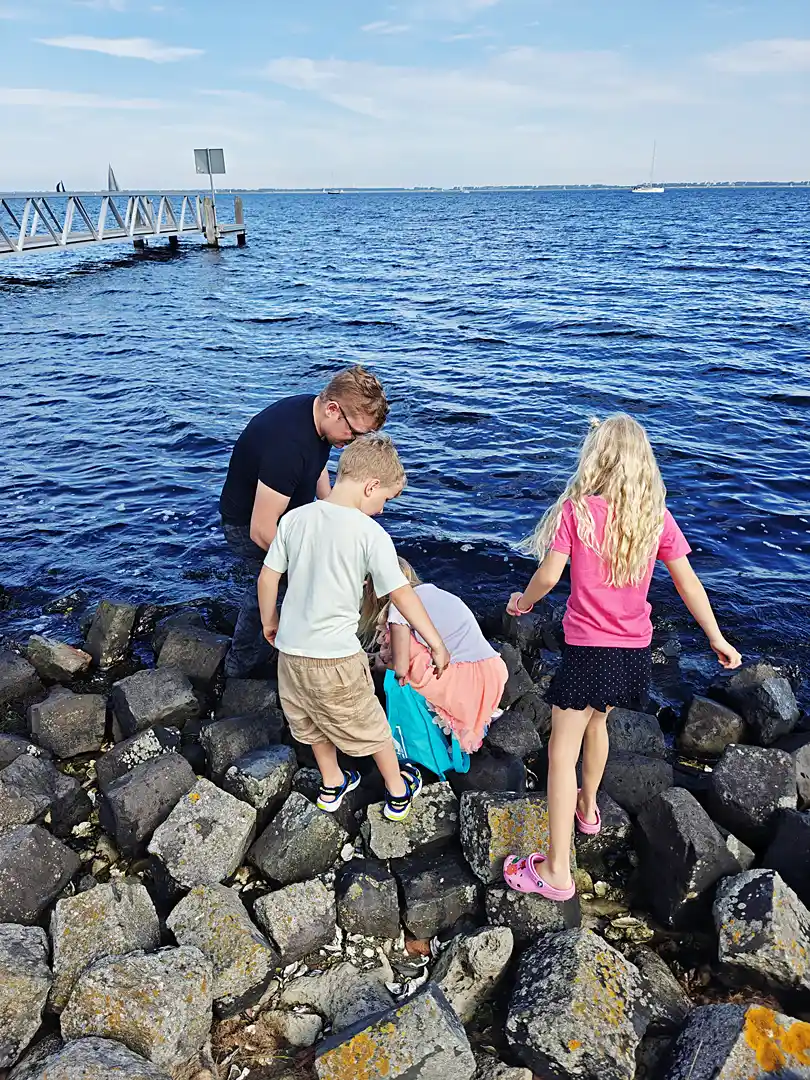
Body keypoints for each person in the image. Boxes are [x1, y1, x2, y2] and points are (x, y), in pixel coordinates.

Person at [502, 414, 742, 902]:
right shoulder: (654, 518)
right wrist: (716, 636)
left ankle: (557, 871)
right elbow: (687, 582)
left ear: (597, 458)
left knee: (559, 753)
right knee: (599, 725)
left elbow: (549, 577)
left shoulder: (578, 511)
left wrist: (522, 603)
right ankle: (588, 810)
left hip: (588, 650)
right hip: (632, 653)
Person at [257, 434, 451, 821]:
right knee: (371, 724)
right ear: (370, 486)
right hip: (336, 658)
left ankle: (332, 783)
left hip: (291, 653)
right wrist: (435, 641)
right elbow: (401, 594)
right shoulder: (369, 533)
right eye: (384, 500)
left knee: (308, 721)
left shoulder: (295, 518)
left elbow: (267, 578)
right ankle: (398, 791)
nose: (380, 511)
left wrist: (270, 621)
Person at [219, 366, 389, 679]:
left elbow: (317, 468)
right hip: (247, 525)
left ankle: (288, 644)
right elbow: (260, 530)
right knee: (275, 586)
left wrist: (333, 512)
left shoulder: (317, 417)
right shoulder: (288, 446)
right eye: (353, 432)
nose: (352, 442)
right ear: (333, 409)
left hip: (285, 516)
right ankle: (239, 668)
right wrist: (310, 566)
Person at [361, 558, 508, 753]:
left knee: (398, 645)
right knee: (409, 644)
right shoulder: (430, 591)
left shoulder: (399, 606)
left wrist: (381, 667)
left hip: (469, 681)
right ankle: (478, 711)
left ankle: (455, 713)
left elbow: (400, 669)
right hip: (493, 672)